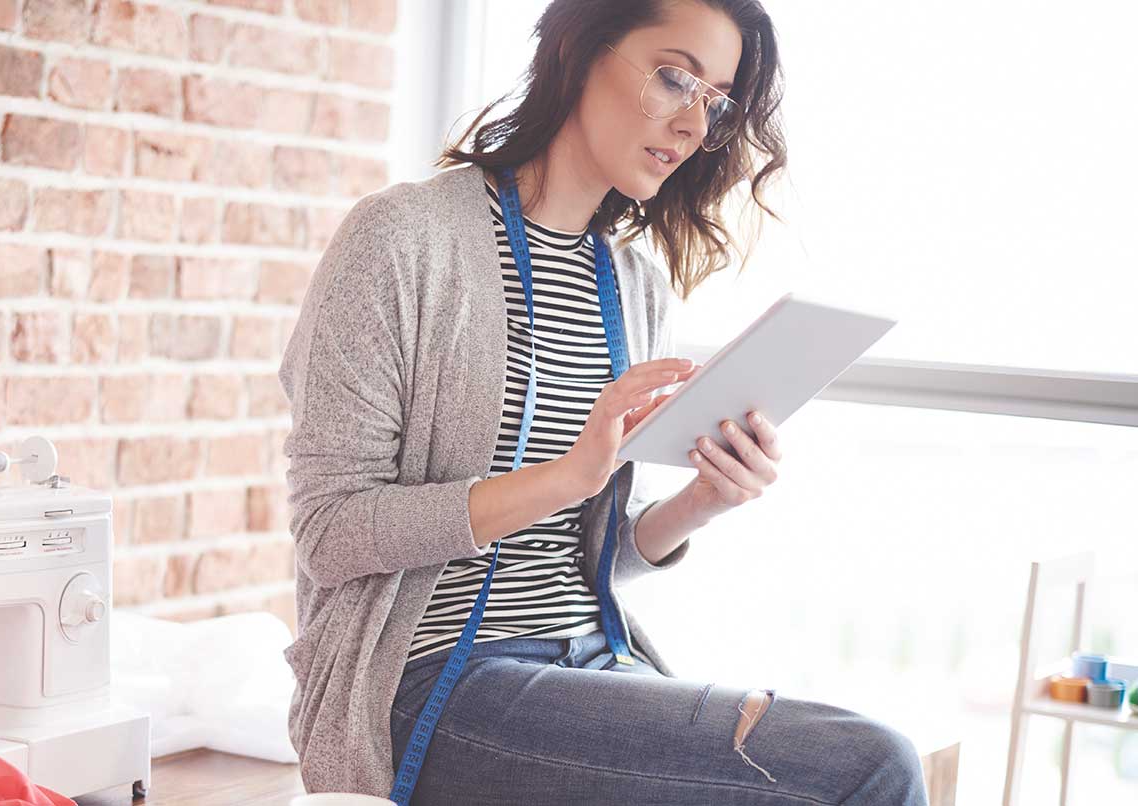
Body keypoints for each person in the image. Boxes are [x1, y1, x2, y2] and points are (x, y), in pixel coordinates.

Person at [277, 1, 929, 803]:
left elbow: (585, 558)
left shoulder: (631, 286)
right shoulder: (401, 239)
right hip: (432, 680)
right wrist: (566, 475)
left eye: (716, 100)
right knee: (870, 765)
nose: (694, 123)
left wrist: (699, 501)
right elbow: (329, 534)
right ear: (579, 52)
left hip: (589, 658)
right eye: (674, 76)